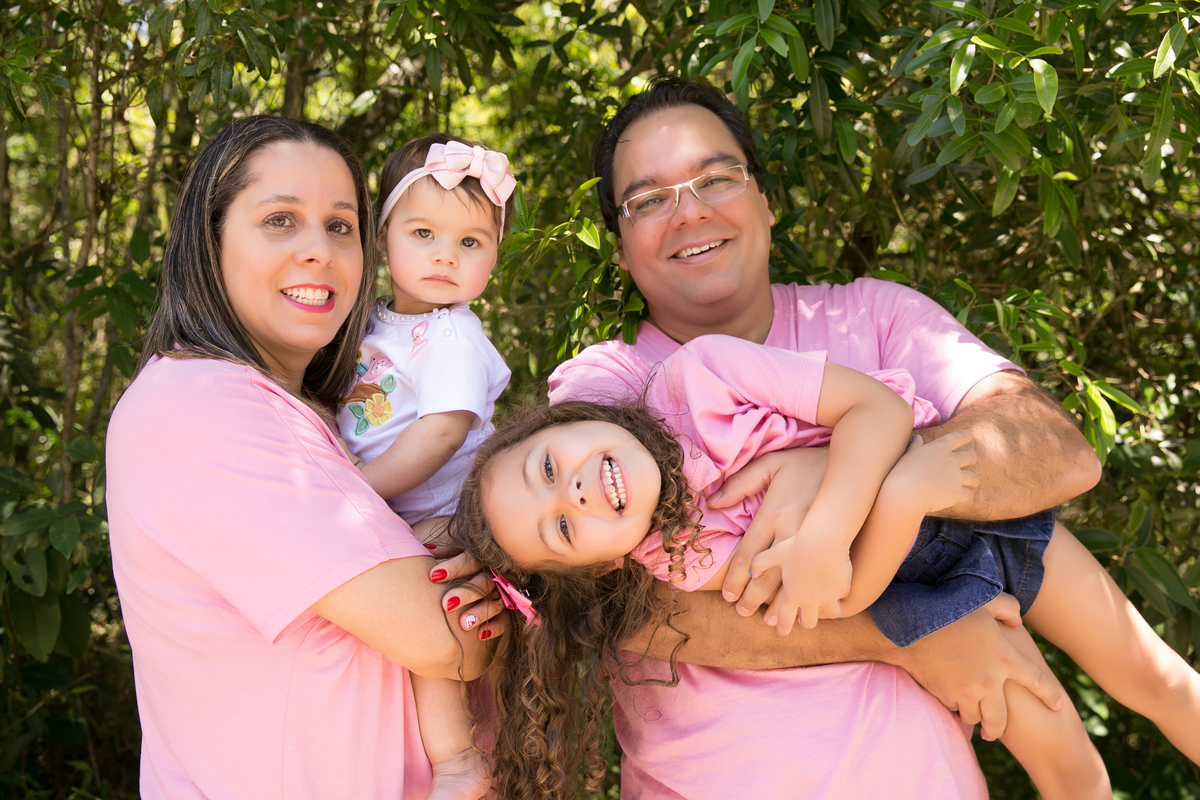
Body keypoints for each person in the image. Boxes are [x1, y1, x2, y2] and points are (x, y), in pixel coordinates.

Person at [429, 75, 1107, 798]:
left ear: (764, 200)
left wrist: (852, 469)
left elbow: (1054, 452)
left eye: (715, 178)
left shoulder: (873, 316)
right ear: (622, 248)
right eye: (649, 200)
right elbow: (631, 607)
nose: (688, 215)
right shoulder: (607, 392)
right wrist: (914, 632)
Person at [452, 334, 1200, 799]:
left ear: (575, 420)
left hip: (970, 510)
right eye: (560, 527)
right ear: (603, 565)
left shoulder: (702, 377)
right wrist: (879, 528)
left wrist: (861, 514)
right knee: (1069, 764)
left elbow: (878, 410)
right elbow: (837, 601)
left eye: (550, 466)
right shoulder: (679, 562)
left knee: (1155, 678)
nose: (575, 494)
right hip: (915, 590)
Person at [106, 116, 506, 800]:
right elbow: (450, 641)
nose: (319, 251)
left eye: (340, 225)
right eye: (280, 220)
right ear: (210, 242)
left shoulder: (311, 416)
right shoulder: (203, 404)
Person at [336, 132, 515, 800]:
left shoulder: (450, 334)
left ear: (493, 259)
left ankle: (457, 758)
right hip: (395, 512)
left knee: (432, 625)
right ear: (382, 241)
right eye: (423, 233)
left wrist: (359, 488)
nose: (445, 254)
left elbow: (442, 433)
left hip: (447, 517)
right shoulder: (374, 325)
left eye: (471, 242)